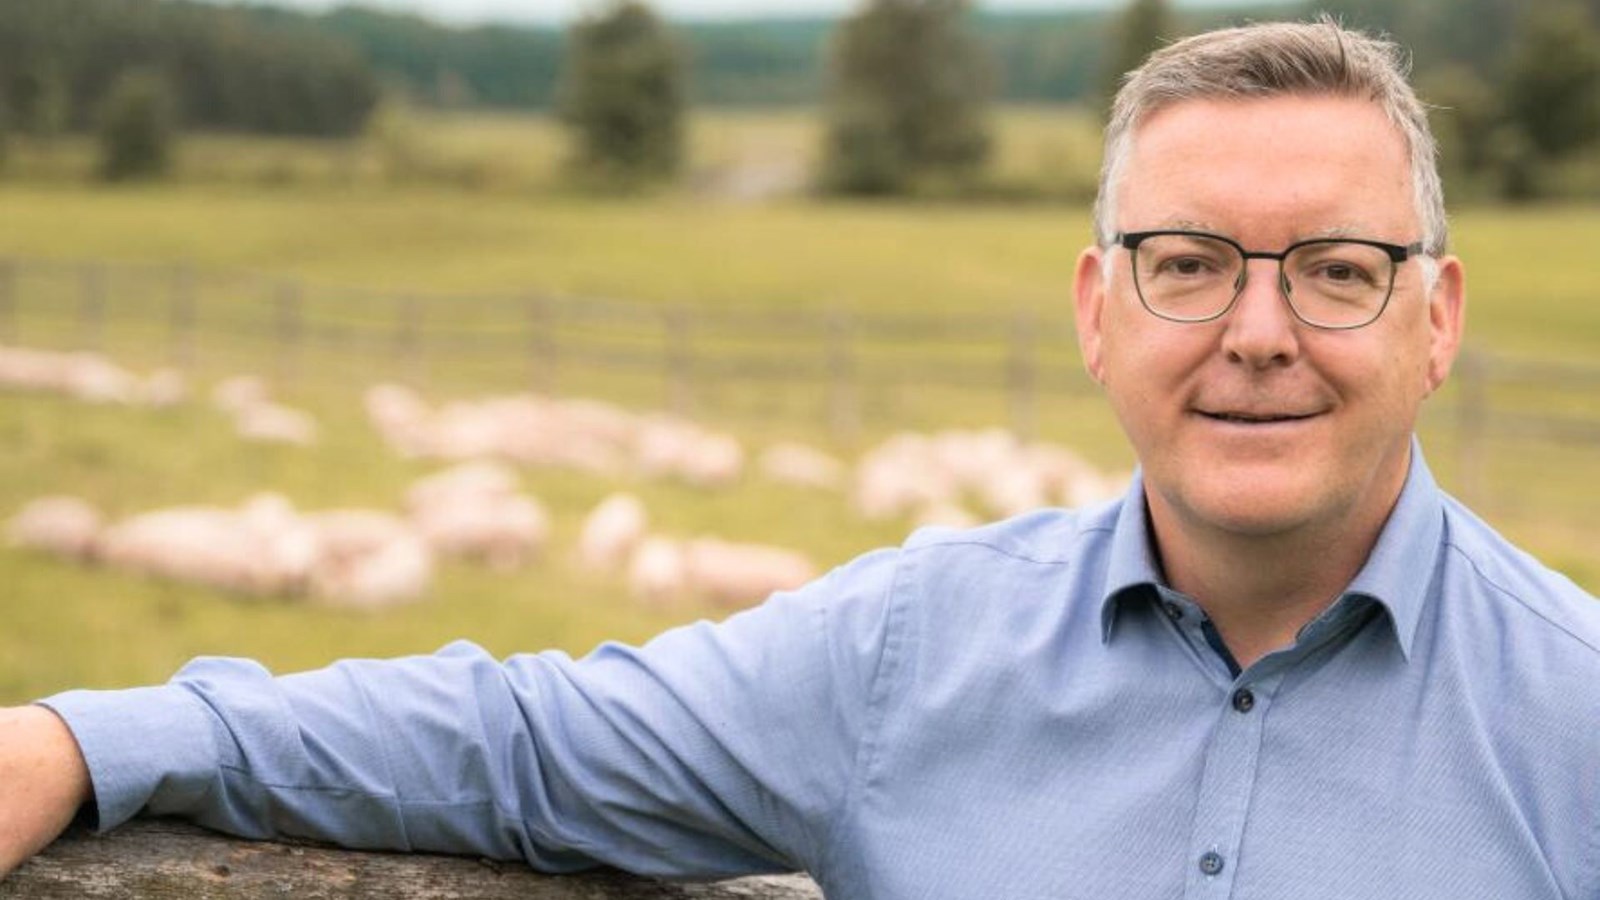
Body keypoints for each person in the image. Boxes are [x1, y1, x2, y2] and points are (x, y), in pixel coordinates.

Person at [3, 18, 1598, 899]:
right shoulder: (904, 657)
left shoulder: (1577, 722)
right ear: (1099, 311)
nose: (1258, 329)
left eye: (1334, 269)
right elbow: (523, 743)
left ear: (1438, 318)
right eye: (1189, 262)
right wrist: (88, 737)